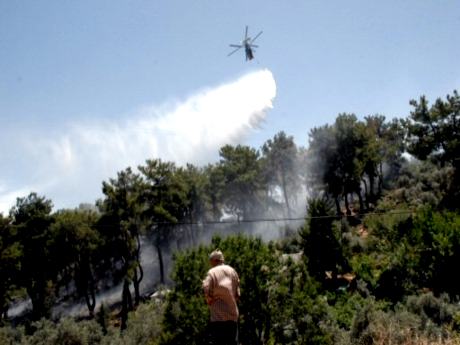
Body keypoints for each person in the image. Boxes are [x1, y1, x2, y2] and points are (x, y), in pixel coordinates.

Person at [203, 249, 240, 345]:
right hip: (232, 317)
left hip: (218, 318)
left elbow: (206, 290)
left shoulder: (212, 273)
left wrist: (210, 301)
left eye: (210, 261)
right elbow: (238, 294)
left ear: (214, 261)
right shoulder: (233, 272)